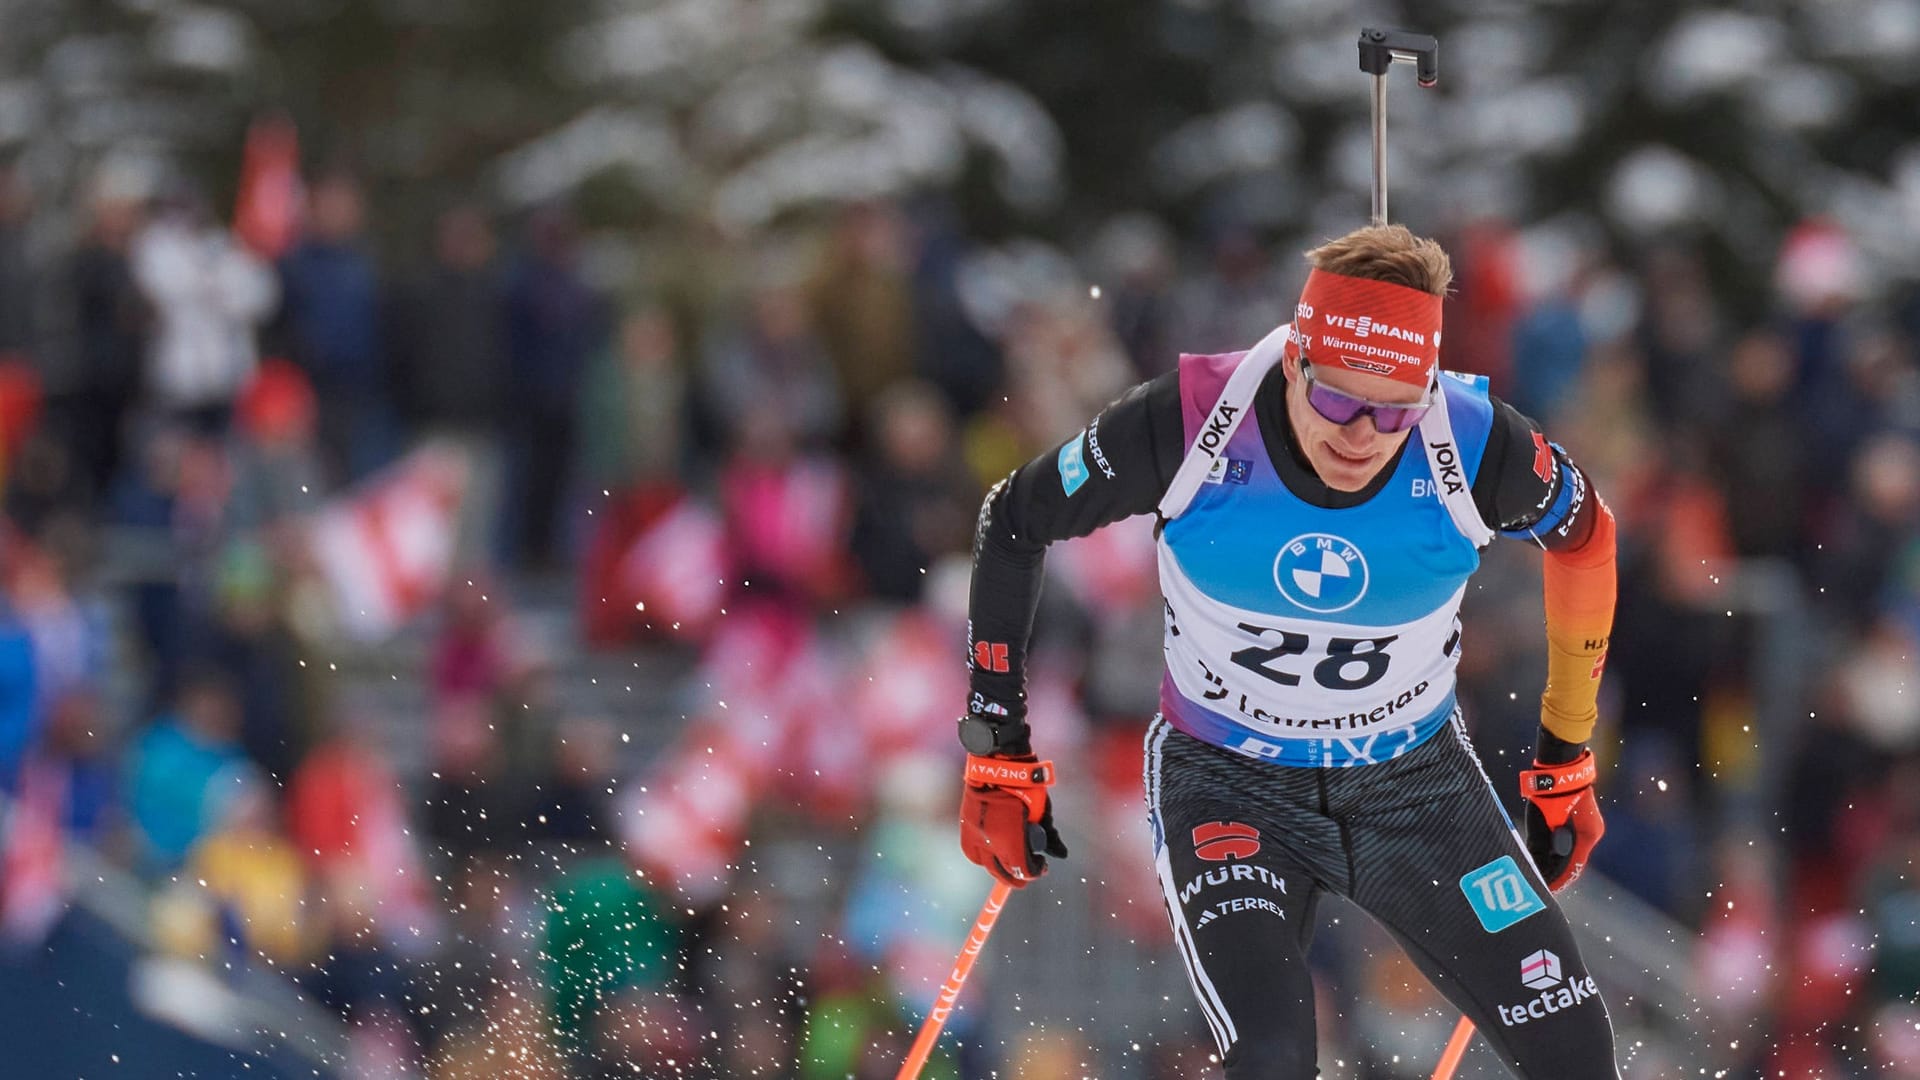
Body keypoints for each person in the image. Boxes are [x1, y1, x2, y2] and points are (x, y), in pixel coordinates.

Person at [954, 224, 1620, 1078]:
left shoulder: (1474, 439)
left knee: (1577, 1056)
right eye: (1339, 400)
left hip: (1412, 782)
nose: (1362, 436)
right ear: (1297, 362)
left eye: (1393, 411)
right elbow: (1013, 519)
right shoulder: (1195, 419)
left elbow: (1588, 541)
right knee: (1272, 1061)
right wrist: (998, 746)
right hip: (1230, 779)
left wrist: (1566, 754)